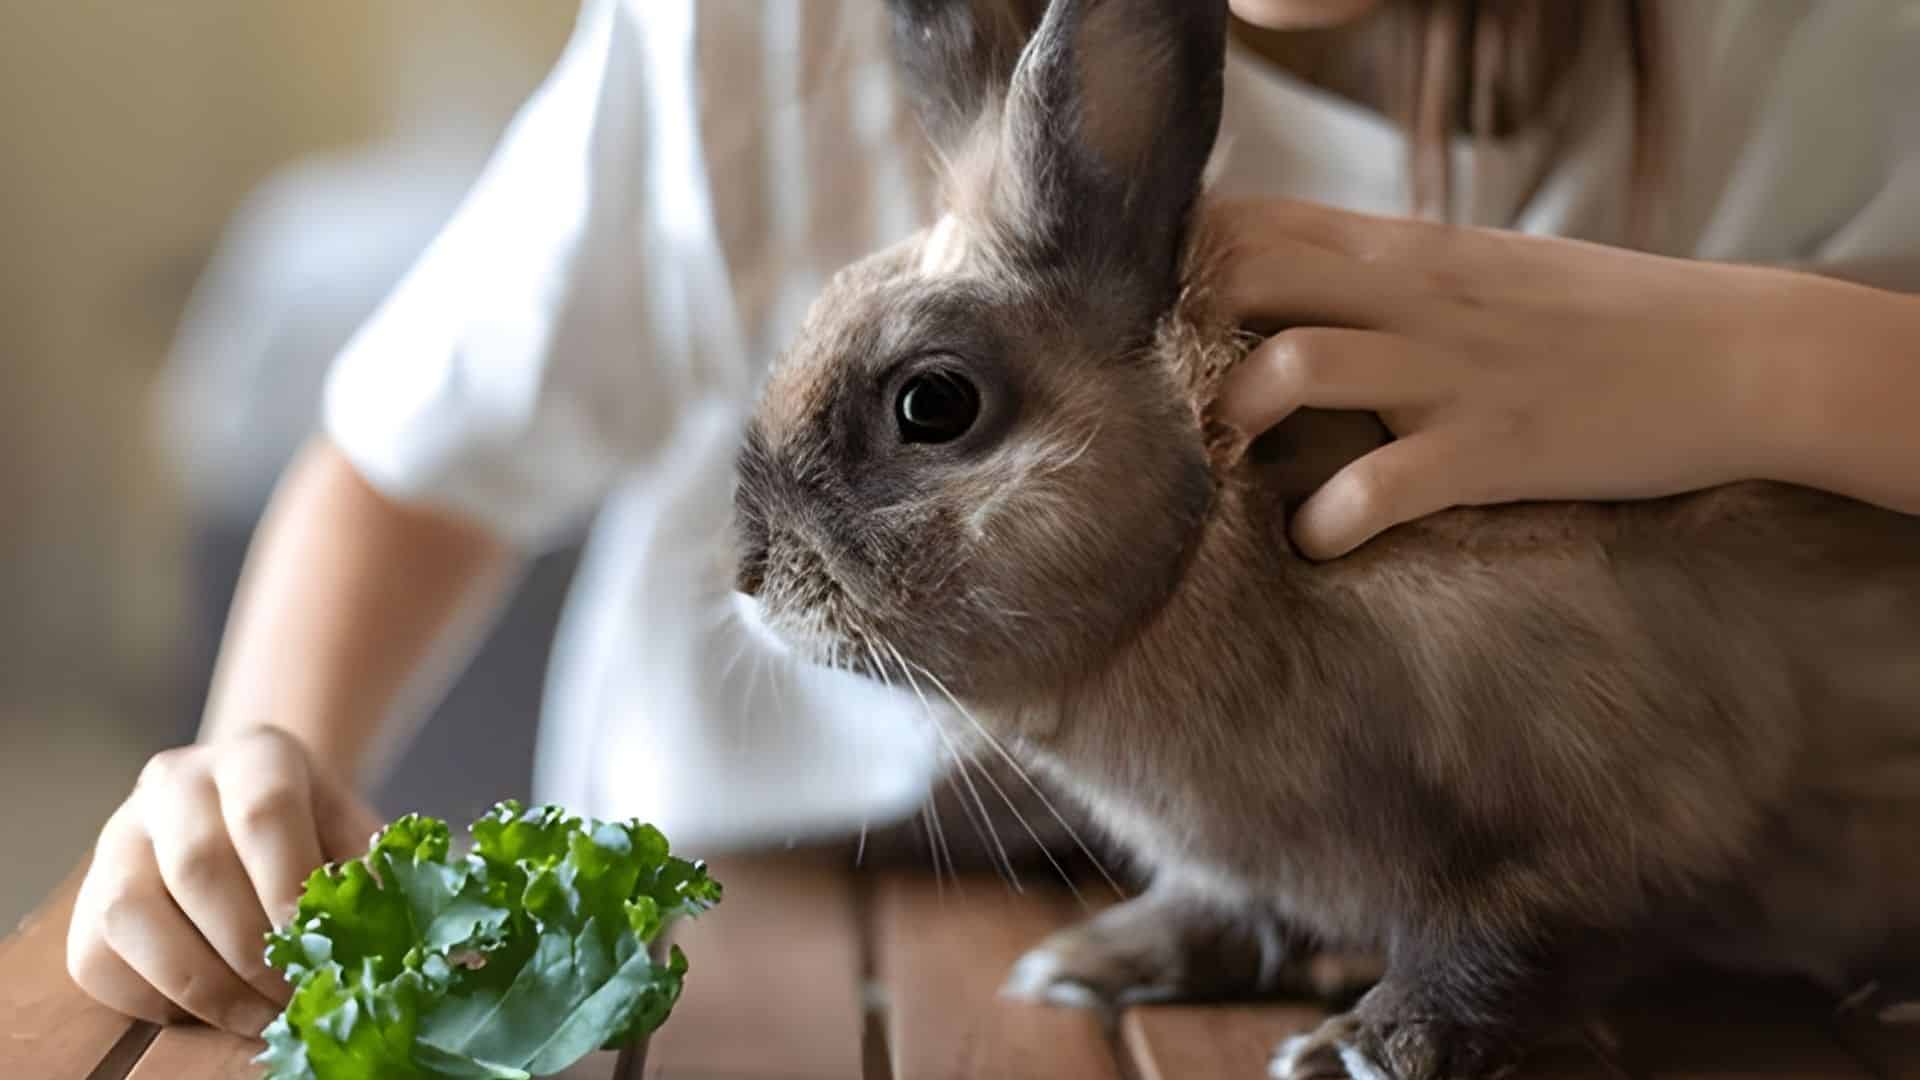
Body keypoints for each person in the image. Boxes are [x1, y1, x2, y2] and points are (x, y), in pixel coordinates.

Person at [68, 0, 1920, 1036]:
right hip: (759, 932)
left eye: (936, 418)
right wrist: (250, 764)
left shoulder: (1802, 50)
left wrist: (1772, 361)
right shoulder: (758, 44)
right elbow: (416, 451)